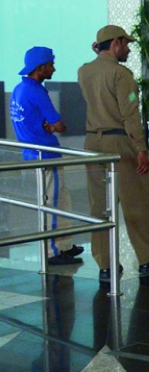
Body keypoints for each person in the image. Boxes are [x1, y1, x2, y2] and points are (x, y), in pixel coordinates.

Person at [78, 25, 149, 280]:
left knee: (100, 206)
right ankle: (148, 257)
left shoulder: (84, 71)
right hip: (119, 142)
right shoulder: (121, 74)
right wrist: (141, 150)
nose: (129, 49)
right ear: (115, 43)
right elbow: (130, 115)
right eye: (126, 44)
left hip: (92, 143)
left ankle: (105, 265)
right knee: (139, 202)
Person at [10, 46, 84, 267]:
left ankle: (64, 244)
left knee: (61, 199)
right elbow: (60, 124)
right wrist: (52, 126)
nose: (54, 68)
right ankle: (52, 251)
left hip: (32, 154)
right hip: (46, 155)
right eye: (51, 64)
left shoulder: (19, 89)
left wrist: (48, 125)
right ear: (40, 68)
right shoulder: (37, 91)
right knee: (52, 203)